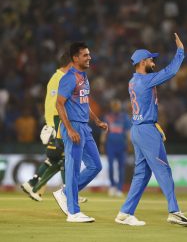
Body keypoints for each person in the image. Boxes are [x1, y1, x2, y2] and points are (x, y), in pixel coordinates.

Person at [115, 33, 187, 227]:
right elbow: (171, 71)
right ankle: (174, 211)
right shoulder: (145, 80)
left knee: (142, 174)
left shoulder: (133, 81)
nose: (153, 61)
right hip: (146, 131)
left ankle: (125, 213)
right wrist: (180, 52)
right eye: (151, 59)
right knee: (163, 170)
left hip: (139, 129)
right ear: (142, 62)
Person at [54, 42, 108, 223]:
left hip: (85, 126)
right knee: (73, 168)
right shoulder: (69, 78)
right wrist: (69, 129)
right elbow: (59, 103)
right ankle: (73, 212)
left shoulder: (83, 77)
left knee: (95, 166)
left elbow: (83, 102)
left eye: (89, 54)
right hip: (74, 127)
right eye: (85, 55)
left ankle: (65, 193)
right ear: (75, 58)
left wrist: (96, 120)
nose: (89, 57)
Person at [21, 52, 72, 202]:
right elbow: (55, 105)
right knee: (63, 157)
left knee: (55, 158)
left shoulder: (56, 78)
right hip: (56, 124)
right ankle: (67, 192)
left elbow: (50, 104)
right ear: (70, 64)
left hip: (55, 123)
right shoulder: (59, 79)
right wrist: (52, 124)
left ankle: (33, 184)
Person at [100, 99, 131, 197]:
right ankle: (112, 186)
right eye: (114, 106)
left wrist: (129, 144)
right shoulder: (108, 117)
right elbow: (104, 131)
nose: (116, 107)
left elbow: (128, 132)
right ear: (112, 107)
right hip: (111, 145)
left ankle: (119, 188)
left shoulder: (124, 117)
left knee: (121, 167)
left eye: (117, 106)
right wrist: (102, 144)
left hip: (121, 145)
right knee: (111, 166)